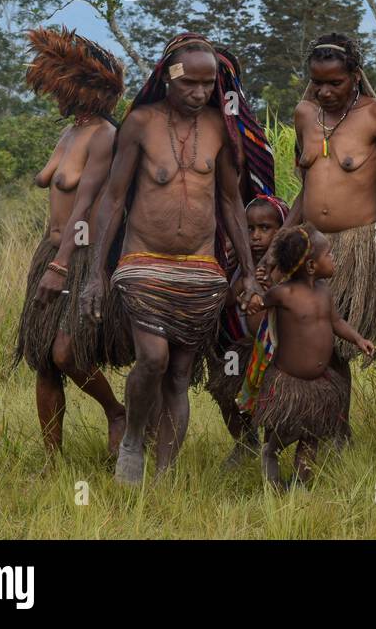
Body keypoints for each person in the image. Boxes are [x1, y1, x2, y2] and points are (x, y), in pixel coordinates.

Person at [81, 33, 265, 485]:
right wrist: (93, 275)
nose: (200, 93)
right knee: (153, 360)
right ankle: (133, 441)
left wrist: (251, 275)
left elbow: (228, 203)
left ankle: (163, 476)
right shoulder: (141, 124)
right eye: (190, 85)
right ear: (167, 77)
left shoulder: (221, 129)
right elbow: (113, 199)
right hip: (143, 261)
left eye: (208, 85)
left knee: (180, 374)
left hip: (201, 270)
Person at [262, 33, 376, 442]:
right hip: (308, 246)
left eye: (336, 83)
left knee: (334, 345)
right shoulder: (303, 115)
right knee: (306, 340)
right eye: (318, 83)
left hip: (357, 246)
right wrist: (277, 247)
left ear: (355, 76)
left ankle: (334, 430)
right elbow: (305, 191)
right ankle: (315, 427)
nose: (326, 92)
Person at [16, 28, 128, 457]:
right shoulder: (69, 133)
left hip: (79, 257)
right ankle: (52, 461)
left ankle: (116, 411)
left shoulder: (104, 136)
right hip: (49, 249)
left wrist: (60, 266)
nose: (53, 95)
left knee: (66, 353)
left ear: (83, 91)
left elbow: (83, 208)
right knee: (43, 361)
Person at [239, 224, 374, 488]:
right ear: (311, 266)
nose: (333, 257)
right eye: (329, 254)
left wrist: (359, 339)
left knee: (311, 438)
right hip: (288, 382)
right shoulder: (283, 293)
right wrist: (252, 300)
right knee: (276, 438)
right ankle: (272, 477)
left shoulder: (324, 292)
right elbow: (255, 304)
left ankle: (300, 487)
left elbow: (336, 322)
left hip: (319, 385)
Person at [205, 194, 288, 467]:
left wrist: (272, 281)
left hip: (275, 353)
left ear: (282, 230)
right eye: (249, 229)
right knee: (225, 392)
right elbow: (226, 300)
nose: (256, 236)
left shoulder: (288, 268)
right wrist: (244, 281)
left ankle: (272, 448)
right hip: (239, 347)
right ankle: (244, 442)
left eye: (265, 229)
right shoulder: (238, 265)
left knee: (273, 399)